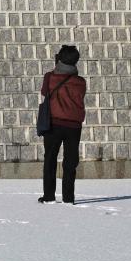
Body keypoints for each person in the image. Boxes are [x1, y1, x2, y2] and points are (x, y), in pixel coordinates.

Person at [38, 45, 86, 204]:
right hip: (74, 126)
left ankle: (49, 196)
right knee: (70, 162)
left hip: (54, 123)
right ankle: (68, 198)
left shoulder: (50, 77)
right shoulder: (80, 82)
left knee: (50, 159)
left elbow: (45, 92)